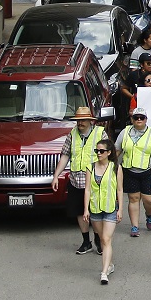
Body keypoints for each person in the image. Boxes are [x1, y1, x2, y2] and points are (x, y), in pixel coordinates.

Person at [52, 106, 106, 256]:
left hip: (95, 181)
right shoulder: (73, 134)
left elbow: (108, 155)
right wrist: (56, 175)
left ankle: (98, 240)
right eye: (78, 120)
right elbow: (65, 155)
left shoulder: (100, 133)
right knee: (79, 211)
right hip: (76, 180)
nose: (80, 123)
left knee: (95, 213)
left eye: (83, 120)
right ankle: (86, 241)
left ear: (90, 121)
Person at [116, 108, 151, 238]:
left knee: (149, 199)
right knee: (133, 199)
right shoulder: (125, 132)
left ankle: (149, 214)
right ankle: (134, 226)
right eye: (136, 117)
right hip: (129, 170)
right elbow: (117, 150)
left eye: (142, 118)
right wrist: (110, 166)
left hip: (147, 171)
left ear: (146, 120)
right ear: (132, 119)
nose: (139, 120)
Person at [84, 137, 123, 285]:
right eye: (97, 151)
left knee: (106, 239)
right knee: (102, 239)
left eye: (101, 151)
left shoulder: (115, 168)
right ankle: (110, 264)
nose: (98, 153)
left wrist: (120, 209)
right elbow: (87, 190)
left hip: (110, 208)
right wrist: (85, 209)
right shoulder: (90, 167)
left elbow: (120, 189)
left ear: (108, 152)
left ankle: (104, 272)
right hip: (95, 208)